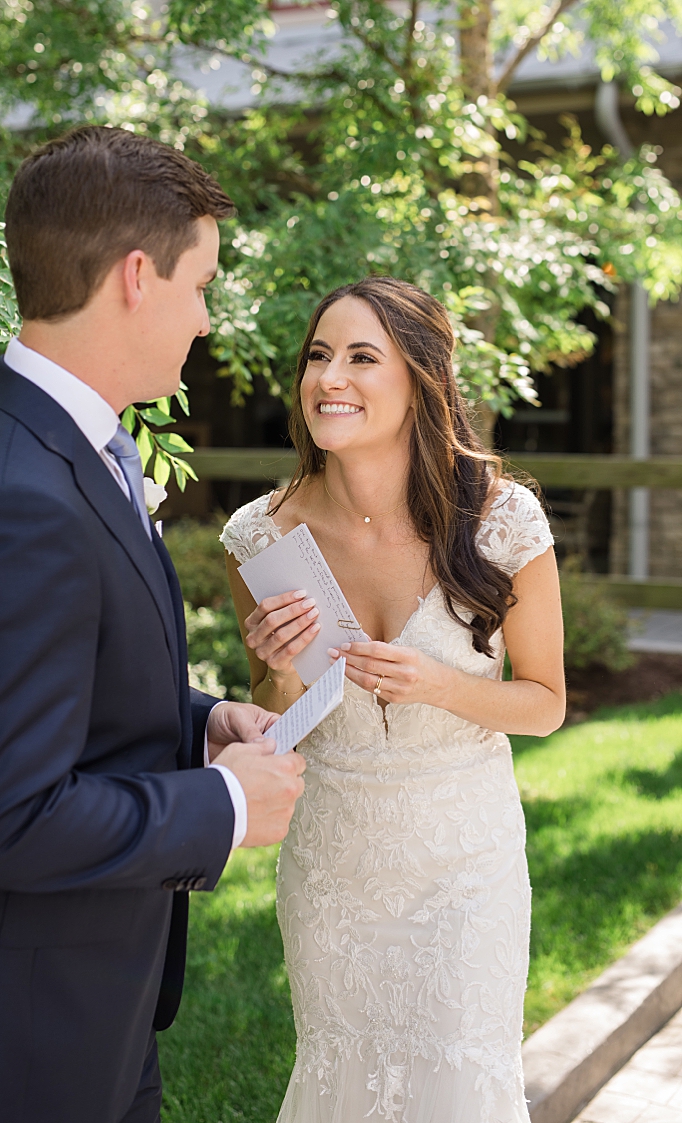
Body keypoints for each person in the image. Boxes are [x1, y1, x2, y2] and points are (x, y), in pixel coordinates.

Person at [0, 126, 308, 1123]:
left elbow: (50, 684)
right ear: (138, 277)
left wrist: (198, 722)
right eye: (202, 285)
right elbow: (5, 815)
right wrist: (222, 808)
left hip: (102, 1005)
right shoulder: (18, 489)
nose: (206, 318)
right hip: (32, 1043)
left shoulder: (65, 441)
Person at [221, 277, 565, 1122]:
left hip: (465, 862)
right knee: (342, 1075)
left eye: (361, 357)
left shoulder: (503, 520)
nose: (329, 376)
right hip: (334, 864)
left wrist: (440, 685)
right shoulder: (259, 536)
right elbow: (279, 718)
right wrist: (279, 674)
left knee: (457, 1080)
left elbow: (547, 701)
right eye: (317, 356)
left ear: (421, 378)